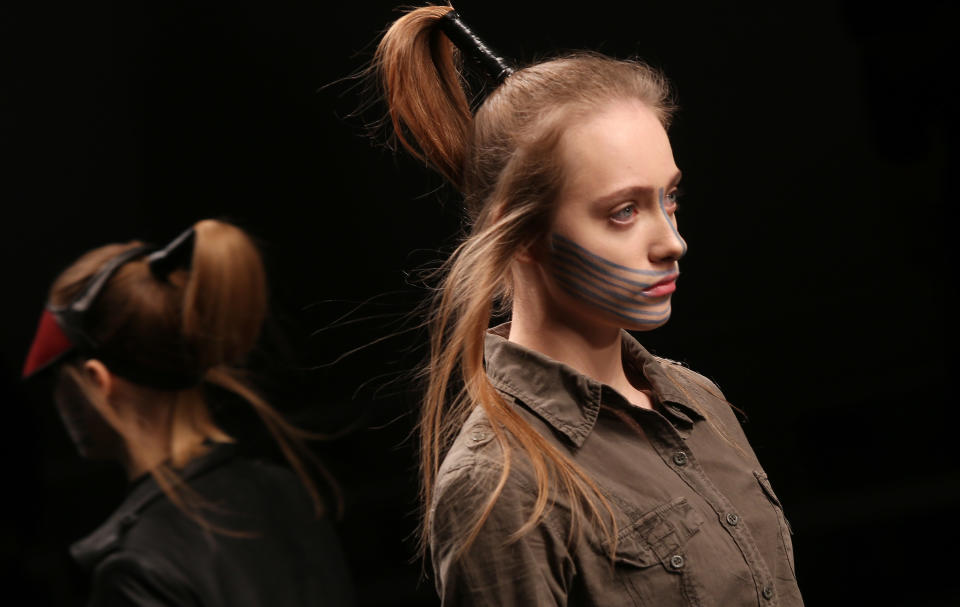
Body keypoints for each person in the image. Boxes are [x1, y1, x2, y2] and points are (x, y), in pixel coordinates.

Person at [371, 6, 803, 606]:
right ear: (520, 233)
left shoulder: (696, 401)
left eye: (669, 198)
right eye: (622, 211)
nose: (672, 242)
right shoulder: (501, 486)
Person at [22, 219, 354, 607]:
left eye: (62, 381)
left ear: (97, 381)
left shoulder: (136, 569)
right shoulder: (286, 490)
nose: (59, 401)